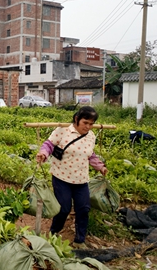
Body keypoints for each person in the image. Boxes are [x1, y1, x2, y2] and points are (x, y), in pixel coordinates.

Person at [35, 106, 108, 249]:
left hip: (81, 179)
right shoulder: (62, 131)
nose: (88, 127)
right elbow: (49, 145)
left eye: (91, 124)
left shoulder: (91, 136)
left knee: (84, 209)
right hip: (61, 177)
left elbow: (90, 154)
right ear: (77, 119)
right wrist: (43, 153)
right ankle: (53, 233)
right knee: (63, 208)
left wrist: (100, 166)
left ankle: (79, 240)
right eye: (85, 123)